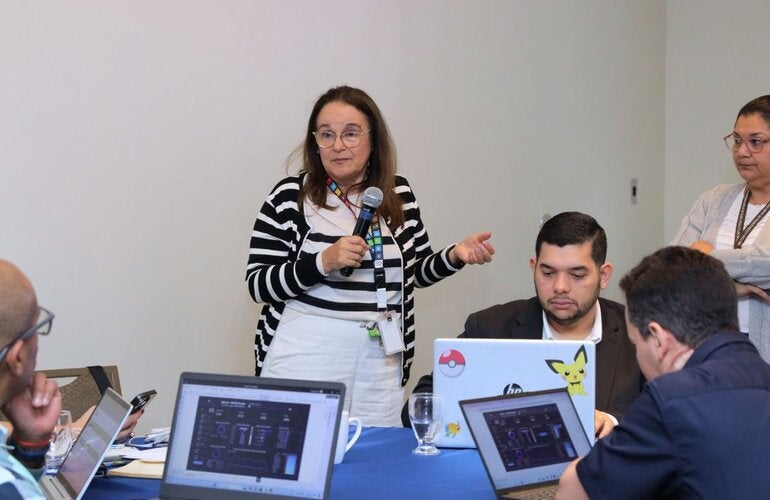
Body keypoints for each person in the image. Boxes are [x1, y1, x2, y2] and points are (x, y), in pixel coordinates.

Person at [245, 85, 494, 426]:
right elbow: (258, 285)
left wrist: (455, 255)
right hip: (306, 352)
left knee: (373, 462)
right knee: (299, 458)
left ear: (372, 139)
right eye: (326, 134)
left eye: (351, 133)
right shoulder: (289, 196)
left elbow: (414, 273)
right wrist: (323, 262)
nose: (338, 145)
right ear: (314, 142)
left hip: (379, 357)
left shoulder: (397, 192)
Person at [557, 246, 770, 499]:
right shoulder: (761, 373)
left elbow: (574, 492)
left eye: (635, 343)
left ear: (657, 338)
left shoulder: (672, 400)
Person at [405, 212, 644, 437]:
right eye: (548, 273)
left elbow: (673, 412)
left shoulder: (639, 333)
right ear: (533, 268)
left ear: (603, 275)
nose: (560, 287)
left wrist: (613, 422)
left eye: (577, 275)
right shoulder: (491, 328)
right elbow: (418, 405)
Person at [672, 95, 770, 362]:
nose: (741, 151)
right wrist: (730, 286)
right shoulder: (714, 199)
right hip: (704, 349)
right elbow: (672, 268)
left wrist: (702, 262)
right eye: (736, 140)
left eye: (756, 142)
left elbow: (766, 262)